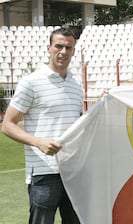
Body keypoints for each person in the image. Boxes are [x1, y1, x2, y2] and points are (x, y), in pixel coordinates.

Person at [2, 27, 83, 224]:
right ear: (49, 48)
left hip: (72, 170)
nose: (63, 52)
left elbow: (77, 123)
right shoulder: (31, 82)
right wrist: (38, 142)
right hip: (43, 172)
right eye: (59, 46)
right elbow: (7, 124)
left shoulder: (76, 85)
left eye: (68, 48)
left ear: (74, 51)